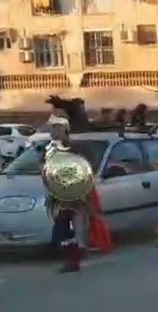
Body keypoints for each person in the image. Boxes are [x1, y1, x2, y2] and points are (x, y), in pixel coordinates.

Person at [41, 115, 111, 272]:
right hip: (58, 196)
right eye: (52, 128)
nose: (53, 131)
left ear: (65, 129)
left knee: (76, 228)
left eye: (57, 128)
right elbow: (45, 169)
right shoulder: (49, 148)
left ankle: (74, 259)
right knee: (62, 230)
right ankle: (73, 256)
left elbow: (85, 169)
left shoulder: (76, 148)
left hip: (77, 196)